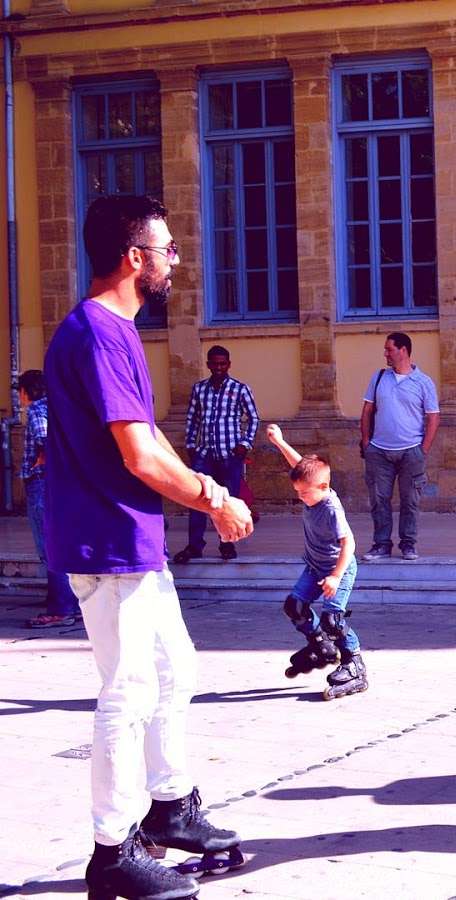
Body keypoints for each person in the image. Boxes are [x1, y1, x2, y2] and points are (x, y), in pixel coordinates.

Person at [47, 194, 252, 899]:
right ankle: (112, 851)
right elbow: (138, 455)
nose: (176, 259)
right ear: (135, 257)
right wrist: (213, 499)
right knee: (129, 689)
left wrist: (209, 493)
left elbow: (148, 435)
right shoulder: (100, 334)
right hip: (106, 542)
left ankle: (170, 807)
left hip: (130, 538)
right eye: (167, 248)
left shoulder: (116, 330)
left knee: (176, 669)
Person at [264, 423, 366, 701]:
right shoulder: (312, 484)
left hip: (338, 569)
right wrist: (280, 442)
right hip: (314, 567)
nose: (301, 497)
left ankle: (354, 663)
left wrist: (334, 577)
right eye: (298, 493)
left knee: (333, 619)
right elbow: (302, 467)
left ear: (323, 487)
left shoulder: (331, 508)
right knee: (294, 606)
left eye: (305, 493)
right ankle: (320, 645)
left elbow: (350, 544)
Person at [172, 345, 258, 563]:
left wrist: (244, 443)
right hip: (205, 454)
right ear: (208, 365)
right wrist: (191, 444)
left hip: (230, 454)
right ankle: (194, 545)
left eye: (223, 364)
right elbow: (193, 419)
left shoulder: (240, 389)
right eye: (215, 364)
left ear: (228, 365)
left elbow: (254, 418)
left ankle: (227, 544)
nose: (219, 368)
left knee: (229, 500)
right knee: (197, 499)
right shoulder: (199, 389)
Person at [358, 332, 440, 561]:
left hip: (411, 451)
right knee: (378, 499)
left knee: (410, 500)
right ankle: (381, 544)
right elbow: (367, 411)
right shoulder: (378, 377)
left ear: (403, 350)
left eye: (389, 349)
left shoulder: (423, 382)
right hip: (379, 451)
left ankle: (408, 544)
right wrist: (367, 442)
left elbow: (433, 416)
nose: (385, 353)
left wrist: (423, 449)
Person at [17, 369, 80, 628]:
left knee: (48, 548)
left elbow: (44, 439)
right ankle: (71, 604)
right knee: (60, 544)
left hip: (41, 482)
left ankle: (61, 608)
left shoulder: (35, 411)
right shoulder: (58, 407)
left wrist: (39, 462)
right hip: (60, 481)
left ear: (26, 391)